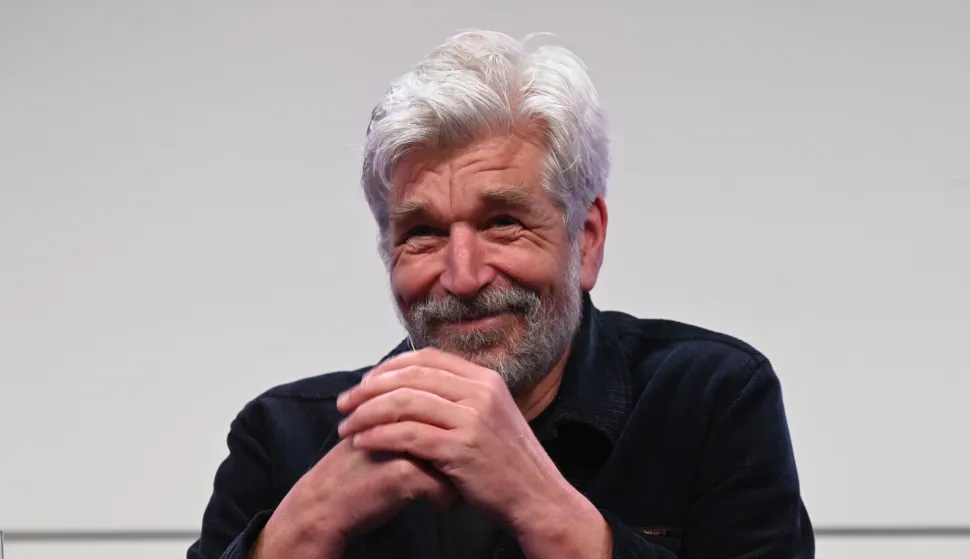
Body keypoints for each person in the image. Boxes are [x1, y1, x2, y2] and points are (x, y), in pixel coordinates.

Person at [187, 29, 814, 559]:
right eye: (423, 233)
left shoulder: (709, 400)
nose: (463, 277)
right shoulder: (284, 440)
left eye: (502, 223)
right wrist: (302, 530)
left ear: (587, 239)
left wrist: (543, 509)